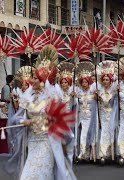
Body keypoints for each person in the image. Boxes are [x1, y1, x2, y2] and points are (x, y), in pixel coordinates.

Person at [5, 44, 76, 180]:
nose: (33, 81)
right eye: (33, 78)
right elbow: (16, 119)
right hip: (32, 142)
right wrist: (23, 121)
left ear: (43, 81)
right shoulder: (28, 98)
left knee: (42, 173)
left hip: (47, 142)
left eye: (36, 79)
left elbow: (57, 120)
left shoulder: (53, 98)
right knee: (27, 175)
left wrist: (34, 120)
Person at [74, 61, 98, 162]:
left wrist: (97, 96)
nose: (84, 84)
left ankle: (85, 154)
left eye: (86, 82)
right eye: (82, 82)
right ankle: (84, 153)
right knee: (82, 134)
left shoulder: (93, 91)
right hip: (81, 116)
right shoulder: (78, 91)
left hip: (90, 116)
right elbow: (76, 104)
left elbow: (97, 103)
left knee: (87, 134)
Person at [95, 60, 118, 164]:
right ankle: (103, 154)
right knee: (104, 133)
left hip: (112, 115)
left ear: (110, 81)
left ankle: (112, 154)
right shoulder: (98, 90)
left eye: (107, 79)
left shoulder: (114, 90)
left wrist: (117, 92)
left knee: (111, 132)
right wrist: (96, 96)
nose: (105, 81)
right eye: (103, 79)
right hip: (103, 115)